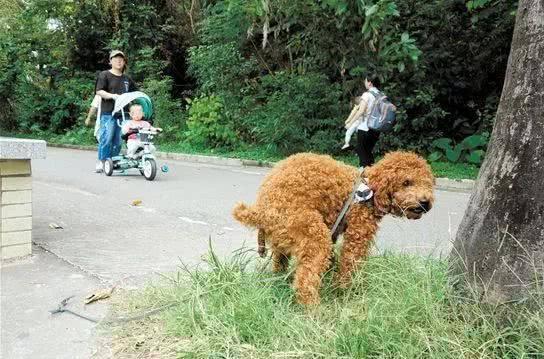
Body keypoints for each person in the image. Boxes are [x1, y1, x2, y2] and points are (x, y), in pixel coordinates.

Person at [94, 50, 137, 172]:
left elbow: (135, 93)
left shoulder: (127, 79)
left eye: (121, 59)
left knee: (118, 141)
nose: (118, 61)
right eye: (115, 58)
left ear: (124, 62)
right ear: (110, 61)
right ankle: (102, 161)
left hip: (124, 115)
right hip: (108, 113)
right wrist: (113, 96)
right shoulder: (104, 75)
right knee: (106, 138)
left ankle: (113, 162)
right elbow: (99, 91)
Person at [350, 74, 382, 167]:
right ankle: (372, 176)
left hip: (365, 128)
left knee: (362, 153)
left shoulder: (367, 95)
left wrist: (350, 122)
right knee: (368, 153)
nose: (364, 83)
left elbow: (360, 111)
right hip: (376, 129)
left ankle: (363, 178)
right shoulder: (380, 95)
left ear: (370, 82)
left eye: (365, 81)